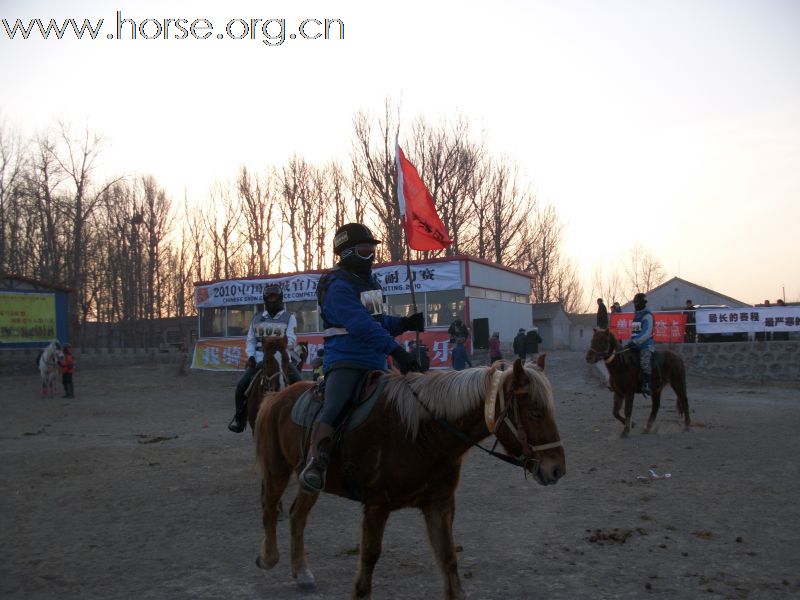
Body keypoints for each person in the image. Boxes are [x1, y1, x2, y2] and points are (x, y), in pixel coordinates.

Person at [298, 223, 423, 493]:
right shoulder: (336, 286)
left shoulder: (371, 283)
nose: (372, 256)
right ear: (346, 253)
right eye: (366, 251)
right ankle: (315, 463)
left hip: (377, 361)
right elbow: (360, 325)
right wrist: (396, 350)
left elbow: (378, 320)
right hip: (346, 359)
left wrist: (404, 323)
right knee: (335, 406)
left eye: (372, 250)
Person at [228, 283, 301, 433]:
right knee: (241, 386)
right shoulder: (257, 318)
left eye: (275, 298)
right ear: (265, 300)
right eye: (270, 298)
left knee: (300, 382)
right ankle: (240, 419)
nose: (272, 301)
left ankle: (302, 417)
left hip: (280, 356)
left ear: (280, 299)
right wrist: (252, 356)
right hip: (261, 357)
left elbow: (292, 339)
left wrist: (277, 343)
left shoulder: (289, 317)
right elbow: (251, 340)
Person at [625, 292, 654, 395]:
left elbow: (646, 332)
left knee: (644, 363)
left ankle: (647, 384)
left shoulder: (647, 316)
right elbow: (635, 333)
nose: (635, 305)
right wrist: (630, 342)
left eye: (637, 303)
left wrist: (635, 341)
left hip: (646, 345)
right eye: (635, 303)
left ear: (642, 303)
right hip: (635, 344)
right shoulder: (637, 316)